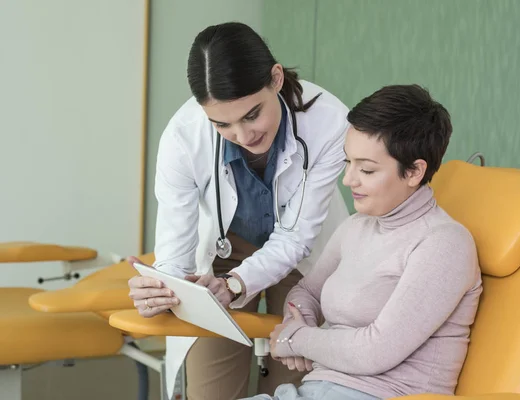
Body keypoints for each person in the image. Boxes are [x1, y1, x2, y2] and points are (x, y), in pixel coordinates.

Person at [126, 22, 350, 399]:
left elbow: (296, 237)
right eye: (222, 124)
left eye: (251, 115)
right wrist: (159, 288)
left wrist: (235, 287)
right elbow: (174, 253)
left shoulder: (328, 122)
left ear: (275, 79)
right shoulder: (183, 138)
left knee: (294, 386)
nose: (244, 137)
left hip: (305, 256)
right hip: (223, 251)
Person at [244, 84, 483, 400]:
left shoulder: (443, 245)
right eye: (348, 162)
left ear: (414, 171)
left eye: (367, 169)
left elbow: (375, 350)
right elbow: (307, 291)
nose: (349, 180)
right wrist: (296, 320)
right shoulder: (357, 226)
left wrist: (296, 339)